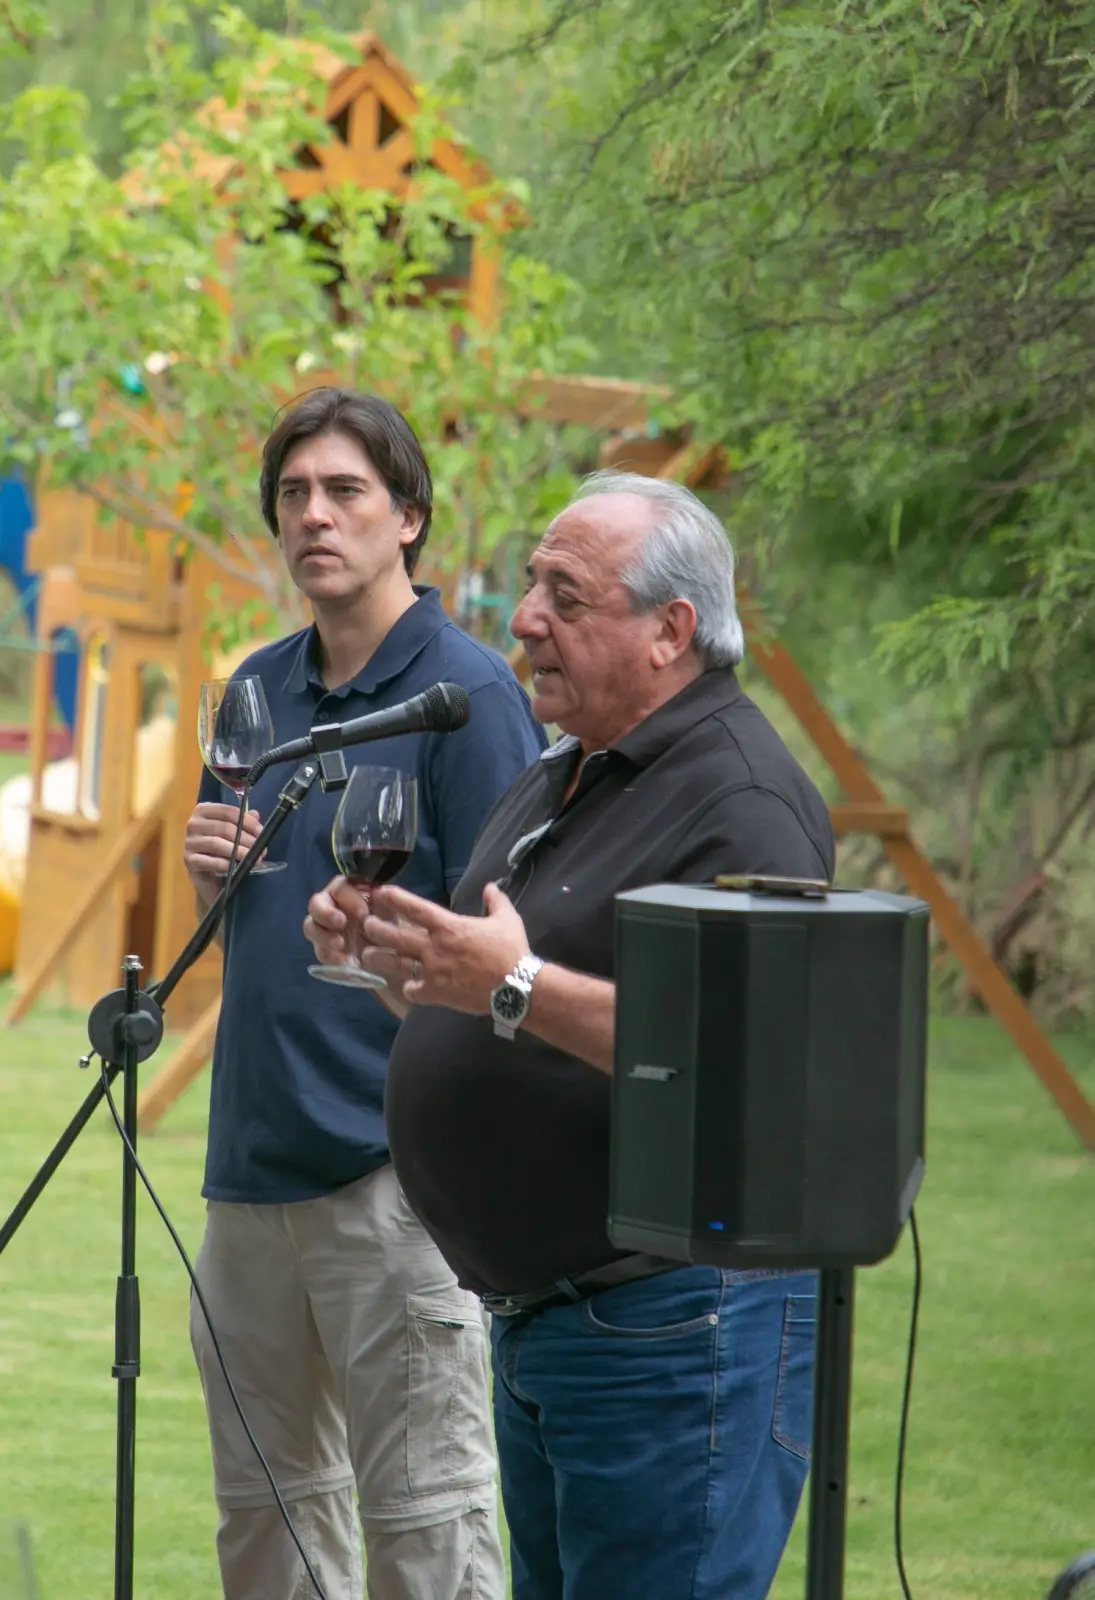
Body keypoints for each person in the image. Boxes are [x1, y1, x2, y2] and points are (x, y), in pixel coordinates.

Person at [304, 470, 836, 1600]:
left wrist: (508, 983)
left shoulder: (741, 796)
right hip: (557, 1324)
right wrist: (408, 967)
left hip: (675, 1330)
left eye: (566, 595)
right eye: (534, 585)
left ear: (669, 631)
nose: (525, 618)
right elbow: (509, 999)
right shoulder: (570, 770)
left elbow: (740, 1055)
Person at [182, 388, 543, 1600]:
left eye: (345, 491)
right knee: (267, 1532)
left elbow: (509, 943)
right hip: (249, 1172)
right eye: (293, 494)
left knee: (427, 1535)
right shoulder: (257, 690)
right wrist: (209, 882)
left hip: (396, 1181)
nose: (313, 516)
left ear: (409, 521)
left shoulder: (470, 696)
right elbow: (253, 940)